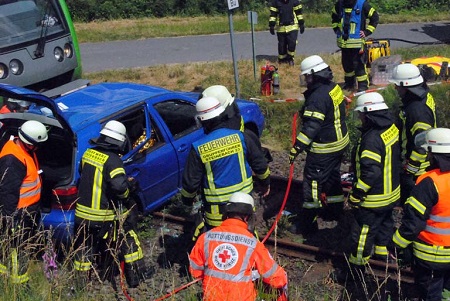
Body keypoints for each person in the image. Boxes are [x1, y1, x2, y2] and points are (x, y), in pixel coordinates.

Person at [181, 96, 270, 238]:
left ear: (202, 121)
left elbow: (190, 185)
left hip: (217, 213)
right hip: (244, 207)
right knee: (247, 238)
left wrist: (187, 201)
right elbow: (260, 166)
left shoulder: (198, 148)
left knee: (219, 244)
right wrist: (265, 184)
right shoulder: (242, 137)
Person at [73, 120, 148, 288]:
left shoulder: (88, 154)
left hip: (82, 214)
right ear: (119, 141)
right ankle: (135, 275)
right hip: (103, 216)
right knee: (129, 237)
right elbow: (119, 187)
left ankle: (78, 285)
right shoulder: (113, 160)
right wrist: (128, 193)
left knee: (85, 246)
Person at [289, 55, 349, 236]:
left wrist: (297, 147)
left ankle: (308, 222)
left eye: (307, 77)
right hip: (339, 144)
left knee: (313, 183)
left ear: (315, 75)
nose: (306, 80)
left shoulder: (317, 97)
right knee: (332, 178)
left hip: (324, 148)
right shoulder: (334, 87)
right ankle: (335, 211)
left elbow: (312, 127)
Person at [189, 192, 288, 301]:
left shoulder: (206, 237)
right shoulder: (253, 243)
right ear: (247, 217)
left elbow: (195, 272)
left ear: (227, 213)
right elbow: (278, 278)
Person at [389, 128, 450, 301]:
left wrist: (395, 245)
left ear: (433, 154)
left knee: (431, 294)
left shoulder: (429, 182)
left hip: (432, 257)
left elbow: (413, 224)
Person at [346, 93, 400, 284]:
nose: (360, 118)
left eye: (361, 114)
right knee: (384, 225)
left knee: (362, 234)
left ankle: (355, 272)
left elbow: (371, 173)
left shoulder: (371, 139)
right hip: (391, 194)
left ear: (368, 114)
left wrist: (356, 194)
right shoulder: (391, 128)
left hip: (373, 199)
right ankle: (382, 256)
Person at [0, 120, 48, 284]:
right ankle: (18, 283)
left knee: (17, 248)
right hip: (18, 213)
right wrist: (10, 219)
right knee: (17, 249)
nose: (39, 148)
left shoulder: (23, 149)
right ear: (30, 143)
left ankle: (7, 276)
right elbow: (7, 192)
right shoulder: (13, 159)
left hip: (27, 210)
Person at [389, 63, 437, 204]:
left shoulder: (417, 111)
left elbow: (422, 142)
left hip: (418, 169)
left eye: (398, 85)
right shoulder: (422, 96)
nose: (396, 88)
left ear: (406, 85)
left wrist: (410, 169)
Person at [331, 0, 379, 91]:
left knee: (359, 66)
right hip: (344, 45)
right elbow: (334, 16)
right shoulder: (340, 4)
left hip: (357, 45)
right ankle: (349, 85)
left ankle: (363, 86)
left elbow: (375, 17)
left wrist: (367, 32)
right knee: (347, 66)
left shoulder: (362, 4)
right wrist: (336, 29)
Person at [269, 0, 305, 66]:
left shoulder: (294, 1)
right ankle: (282, 60)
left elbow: (299, 13)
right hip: (281, 27)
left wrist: (301, 24)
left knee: (292, 43)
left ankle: (290, 58)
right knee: (282, 45)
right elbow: (273, 15)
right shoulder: (276, 2)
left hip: (293, 26)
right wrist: (271, 25)